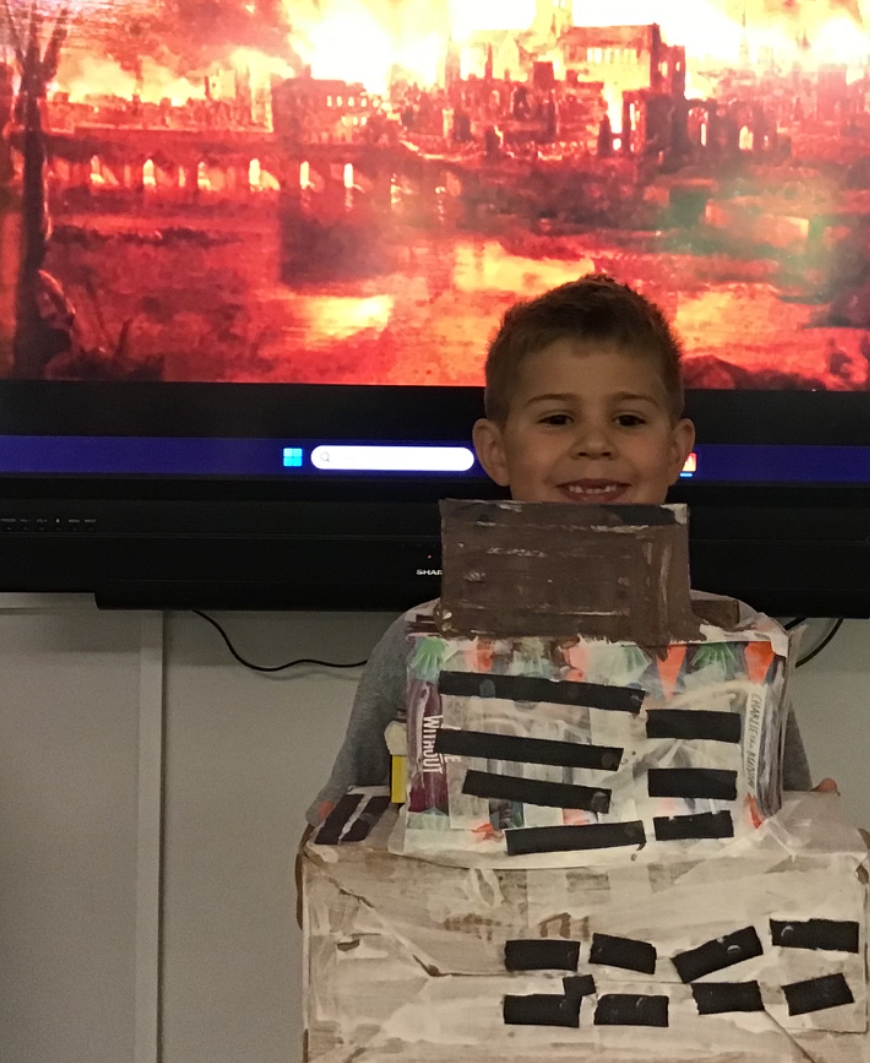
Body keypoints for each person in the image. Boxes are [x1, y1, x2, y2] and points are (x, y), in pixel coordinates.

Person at [309, 272, 828, 825]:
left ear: (676, 450)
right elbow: (340, 828)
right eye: (558, 419)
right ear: (496, 450)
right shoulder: (419, 644)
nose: (595, 444)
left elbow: (789, 829)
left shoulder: (742, 642)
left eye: (628, 419)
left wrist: (824, 838)